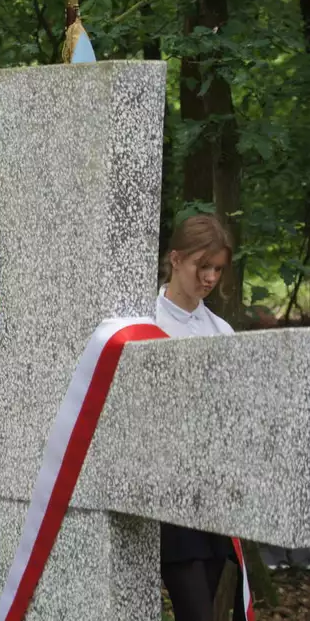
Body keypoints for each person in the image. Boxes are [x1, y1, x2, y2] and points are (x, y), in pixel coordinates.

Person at [155, 213, 247, 621]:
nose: (209, 278)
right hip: (164, 489)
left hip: (211, 493)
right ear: (175, 258)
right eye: (201, 266)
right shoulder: (144, 324)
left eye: (217, 269)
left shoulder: (221, 331)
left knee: (205, 609)